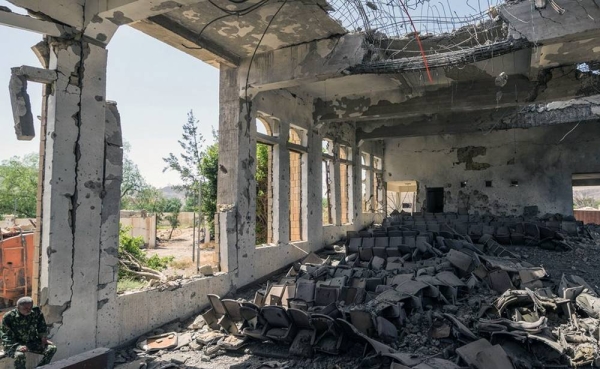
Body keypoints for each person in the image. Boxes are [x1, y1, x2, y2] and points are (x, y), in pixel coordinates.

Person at [1, 297, 56, 368]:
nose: (28, 310)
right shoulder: (9, 317)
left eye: (30, 307)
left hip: (31, 342)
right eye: (25, 309)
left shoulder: (35, 311)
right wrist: (17, 347)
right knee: (20, 356)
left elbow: (41, 325)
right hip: (14, 345)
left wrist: (43, 337)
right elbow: (6, 337)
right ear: (17, 307)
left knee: (52, 348)